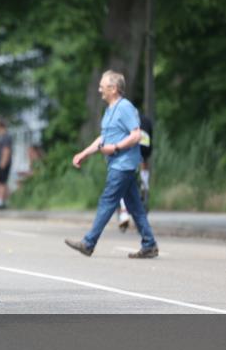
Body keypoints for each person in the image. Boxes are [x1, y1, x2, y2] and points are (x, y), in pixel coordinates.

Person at [65, 70, 159, 258]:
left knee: (107, 201)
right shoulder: (109, 110)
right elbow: (103, 138)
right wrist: (84, 153)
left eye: (102, 86)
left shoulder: (124, 107)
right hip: (118, 164)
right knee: (135, 206)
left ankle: (89, 243)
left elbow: (136, 134)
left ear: (113, 88)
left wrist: (115, 147)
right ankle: (149, 244)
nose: (99, 89)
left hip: (123, 165)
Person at [118, 113, 153, 231]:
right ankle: (145, 183)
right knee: (144, 159)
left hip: (134, 142)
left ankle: (123, 212)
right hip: (146, 143)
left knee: (124, 176)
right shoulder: (146, 119)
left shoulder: (126, 119)